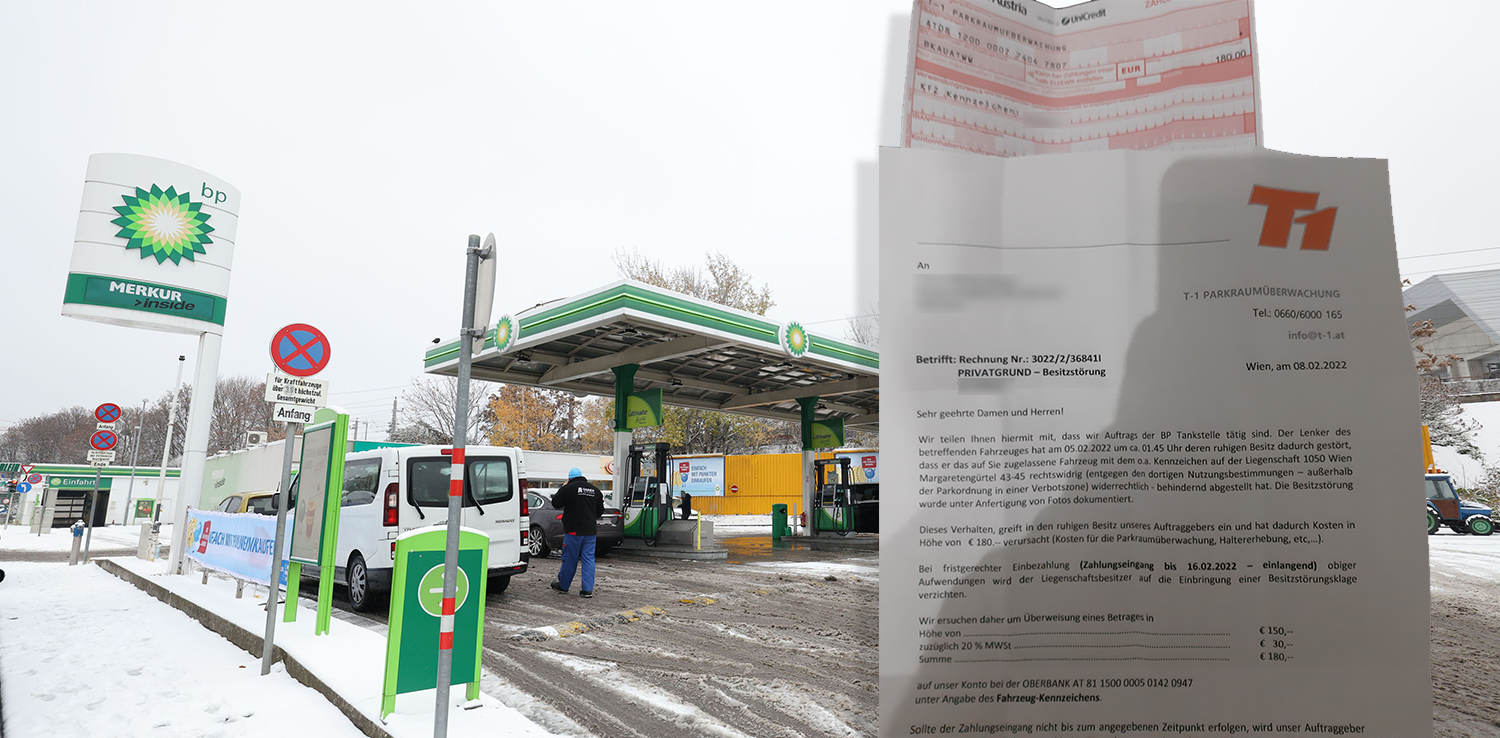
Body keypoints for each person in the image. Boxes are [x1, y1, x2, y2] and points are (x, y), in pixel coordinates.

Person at [549, 467, 604, 598]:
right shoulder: (595, 490)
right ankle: (587, 590)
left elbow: (556, 503)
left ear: (570, 479)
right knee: (589, 559)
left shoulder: (569, 489)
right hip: (590, 532)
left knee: (569, 559)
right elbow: (600, 511)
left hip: (573, 531)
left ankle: (563, 586)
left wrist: (563, 488)